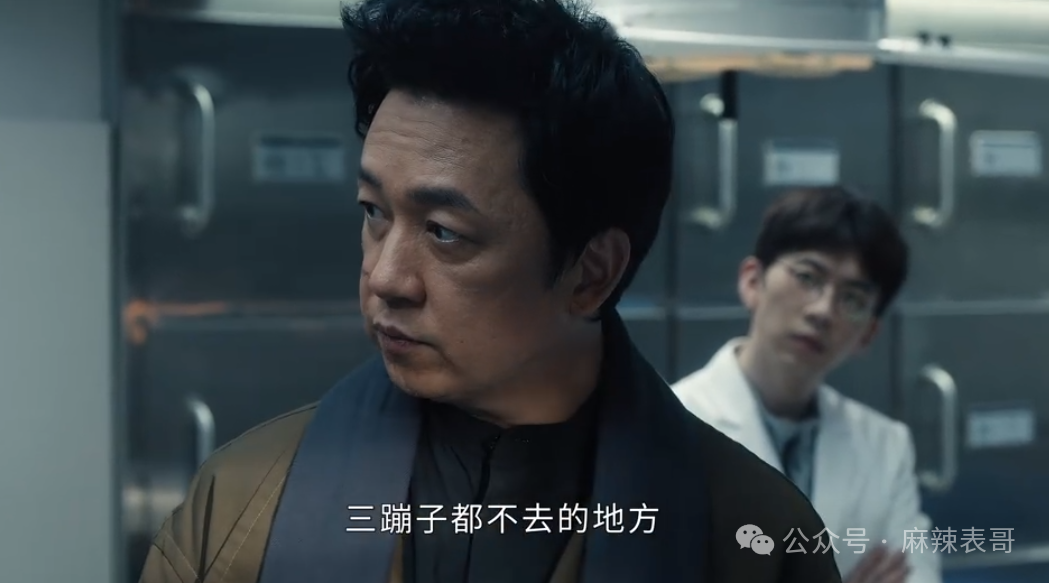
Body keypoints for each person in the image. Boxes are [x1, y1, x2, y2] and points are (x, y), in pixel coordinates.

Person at [138, 1, 842, 582]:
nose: (385, 277)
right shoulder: (238, 505)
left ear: (591, 272)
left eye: (444, 232)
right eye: (374, 212)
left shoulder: (754, 538)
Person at [673, 186, 940, 583]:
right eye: (807, 277)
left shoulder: (885, 446)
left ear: (868, 334)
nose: (822, 310)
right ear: (753, 281)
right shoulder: (664, 427)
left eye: (852, 299)